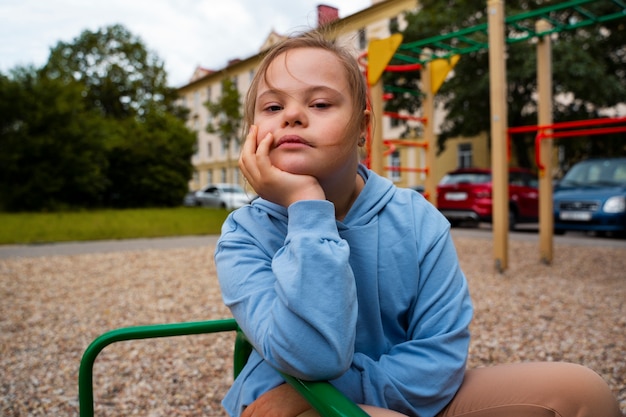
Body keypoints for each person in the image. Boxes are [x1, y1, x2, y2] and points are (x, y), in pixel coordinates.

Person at [214, 31, 621, 417]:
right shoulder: (244, 233)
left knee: (581, 392)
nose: (293, 116)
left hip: (398, 395)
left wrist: (346, 389)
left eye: (320, 104)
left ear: (363, 129)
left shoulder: (416, 217)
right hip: (286, 405)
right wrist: (306, 207)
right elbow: (313, 357)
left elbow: (440, 357)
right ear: (253, 133)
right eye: (273, 107)